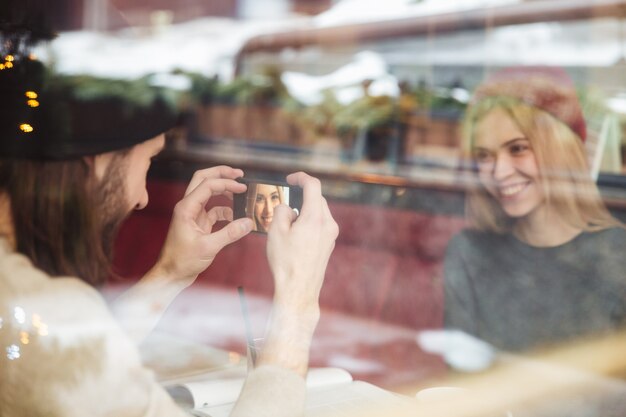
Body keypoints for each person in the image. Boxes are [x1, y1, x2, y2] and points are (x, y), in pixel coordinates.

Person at [0, 20, 339, 417]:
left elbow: (75, 363)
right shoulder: (41, 309)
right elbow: (64, 355)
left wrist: (171, 273)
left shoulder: (26, 301)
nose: (143, 198)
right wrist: (298, 309)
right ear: (97, 162)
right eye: (148, 161)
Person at [444, 67, 626, 352]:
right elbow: (460, 380)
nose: (500, 172)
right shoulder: (469, 252)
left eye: (517, 149)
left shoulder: (618, 256)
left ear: (561, 148)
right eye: (484, 156)